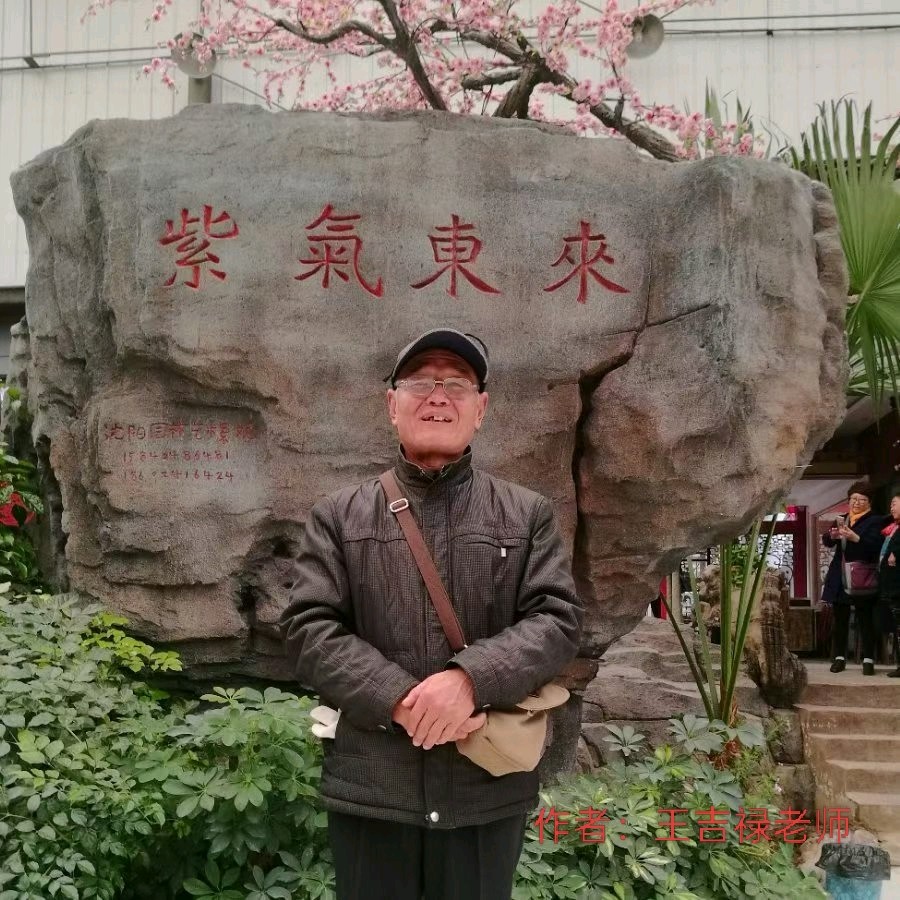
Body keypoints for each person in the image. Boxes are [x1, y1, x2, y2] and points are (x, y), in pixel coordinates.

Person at [279, 328, 584, 900]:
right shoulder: (339, 515)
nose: (438, 395)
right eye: (420, 382)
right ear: (392, 404)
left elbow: (558, 619)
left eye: (457, 384)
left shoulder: (526, 514)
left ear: (481, 409)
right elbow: (308, 627)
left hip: (484, 789)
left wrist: (469, 681)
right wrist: (401, 699)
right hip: (373, 789)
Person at [821, 481, 886, 675]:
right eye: (853, 499)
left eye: (861, 499)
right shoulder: (843, 519)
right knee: (840, 619)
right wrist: (832, 536)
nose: (856, 503)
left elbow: (875, 546)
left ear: (869, 501)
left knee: (865, 619)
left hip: (862, 575)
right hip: (840, 576)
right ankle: (839, 658)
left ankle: (868, 660)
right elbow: (827, 541)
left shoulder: (876, 520)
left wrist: (854, 537)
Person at [878, 490, 900, 678]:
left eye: (894, 503)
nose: (891, 507)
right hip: (893, 587)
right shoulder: (894, 528)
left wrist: (896, 554)